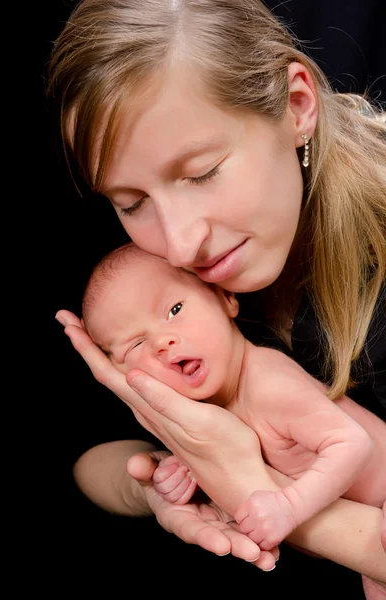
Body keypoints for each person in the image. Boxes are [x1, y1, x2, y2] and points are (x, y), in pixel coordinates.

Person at [48, 0, 386, 595]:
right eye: (130, 203)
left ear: (297, 106)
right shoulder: (146, 271)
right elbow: (87, 455)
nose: (179, 245)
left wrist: (246, 486)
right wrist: (157, 486)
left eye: (202, 172)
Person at [80, 242, 386, 570]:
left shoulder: (268, 383)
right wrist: (186, 475)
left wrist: (289, 506)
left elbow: (353, 443)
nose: (161, 342)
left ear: (225, 298)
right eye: (136, 344)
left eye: (175, 310)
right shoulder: (206, 413)